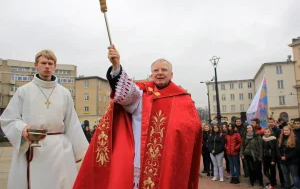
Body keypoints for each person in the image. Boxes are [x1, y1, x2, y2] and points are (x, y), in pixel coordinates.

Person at [73, 45, 202, 189]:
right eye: (156, 70)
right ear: (151, 74)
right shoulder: (141, 93)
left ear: (171, 75)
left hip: (169, 157)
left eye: (164, 70)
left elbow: (192, 129)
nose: (160, 73)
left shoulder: (183, 99)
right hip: (139, 156)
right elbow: (125, 94)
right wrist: (116, 67)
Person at [0, 50, 89, 189]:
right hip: (32, 147)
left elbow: (72, 123)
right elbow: (9, 118)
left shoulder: (64, 93)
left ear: (55, 66)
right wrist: (22, 129)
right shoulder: (23, 91)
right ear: (36, 65)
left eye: (50, 63)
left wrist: (82, 152)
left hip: (59, 151)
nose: (47, 66)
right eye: (43, 63)